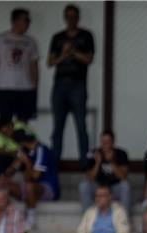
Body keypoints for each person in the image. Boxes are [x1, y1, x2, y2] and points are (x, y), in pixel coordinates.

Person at [47, 4, 94, 163]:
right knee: (58, 125)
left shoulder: (86, 36)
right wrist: (64, 54)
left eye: (74, 16)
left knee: (81, 125)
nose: (71, 19)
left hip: (78, 84)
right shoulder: (58, 37)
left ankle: (84, 161)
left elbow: (89, 59)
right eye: (68, 16)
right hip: (60, 84)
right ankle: (55, 160)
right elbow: (50, 62)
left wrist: (73, 52)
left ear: (78, 18)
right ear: (64, 18)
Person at [0, 8, 40, 123]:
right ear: (16, 21)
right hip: (5, 89)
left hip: (26, 89)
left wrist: (35, 89)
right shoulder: (0, 39)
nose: (28, 23)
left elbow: (34, 66)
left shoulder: (31, 42)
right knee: (4, 124)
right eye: (26, 20)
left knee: (22, 126)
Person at [15, 130, 59, 228]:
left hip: (48, 188)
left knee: (29, 187)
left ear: (22, 143)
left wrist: (27, 162)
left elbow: (35, 176)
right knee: (5, 184)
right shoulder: (28, 153)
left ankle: (31, 218)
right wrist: (17, 162)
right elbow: (24, 177)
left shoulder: (42, 150)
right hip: (32, 188)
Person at [79, 130, 129, 211]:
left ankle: (124, 220)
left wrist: (112, 161)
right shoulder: (94, 153)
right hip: (98, 187)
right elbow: (90, 178)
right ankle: (87, 218)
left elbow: (123, 177)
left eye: (107, 142)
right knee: (84, 185)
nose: (105, 145)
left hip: (114, 188)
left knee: (125, 186)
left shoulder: (121, 154)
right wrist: (98, 163)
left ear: (113, 142)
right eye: (103, 142)